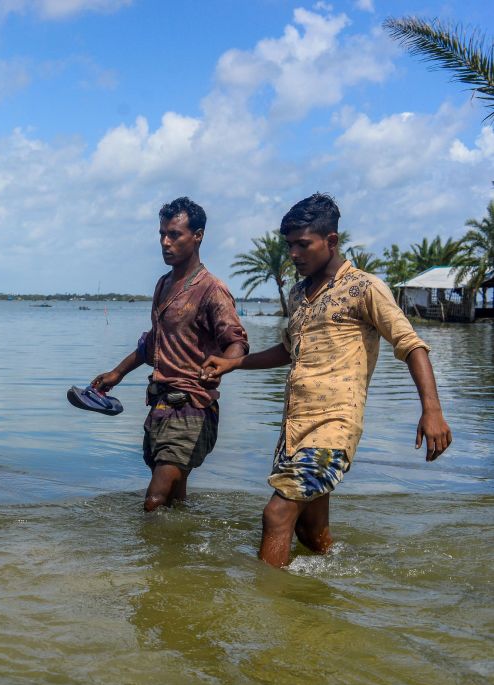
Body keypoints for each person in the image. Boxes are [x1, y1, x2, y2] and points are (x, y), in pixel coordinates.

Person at [200, 193, 452, 567]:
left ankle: (266, 609)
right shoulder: (300, 293)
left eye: (303, 244)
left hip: (334, 426)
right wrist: (233, 364)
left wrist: (432, 411)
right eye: (290, 246)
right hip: (294, 427)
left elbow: (411, 344)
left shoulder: (364, 288)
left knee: (277, 514)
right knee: (309, 533)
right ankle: (344, 587)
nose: (294, 254)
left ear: (331, 241)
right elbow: (289, 350)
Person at [91, 197, 248, 511]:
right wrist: (117, 373)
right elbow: (153, 344)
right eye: (162, 234)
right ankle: (180, 556)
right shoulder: (164, 285)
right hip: (160, 407)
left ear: (198, 236)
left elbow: (237, 342)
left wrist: (222, 365)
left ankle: (146, 558)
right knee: (175, 502)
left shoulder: (211, 289)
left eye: (174, 234)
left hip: (191, 409)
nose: (165, 242)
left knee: (154, 500)